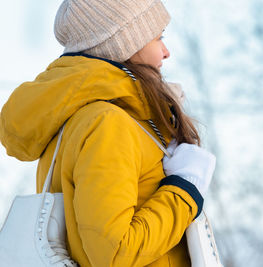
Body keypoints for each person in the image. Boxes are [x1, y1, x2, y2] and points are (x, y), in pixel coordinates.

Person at [0, 0, 216, 266]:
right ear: (125, 42)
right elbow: (114, 253)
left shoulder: (81, 118)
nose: (166, 51)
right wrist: (184, 188)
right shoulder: (107, 124)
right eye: (158, 37)